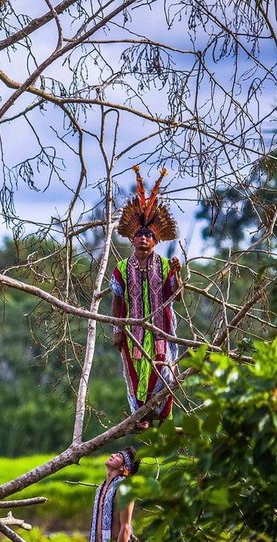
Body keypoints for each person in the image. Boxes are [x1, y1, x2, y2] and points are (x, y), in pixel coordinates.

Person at [111, 166, 182, 430]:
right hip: (132, 331)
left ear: (156, 241)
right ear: (132, 239)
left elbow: (177, 295)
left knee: (162, 367)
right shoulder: (120, 268)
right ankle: (140, 417)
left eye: (149, 236)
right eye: (140, 235)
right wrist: (117, 329)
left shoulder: (164, 265)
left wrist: (177, 273)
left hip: (161, 328)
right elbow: (117, 300)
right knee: (134, 370)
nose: (144, 239)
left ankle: (161, 414)